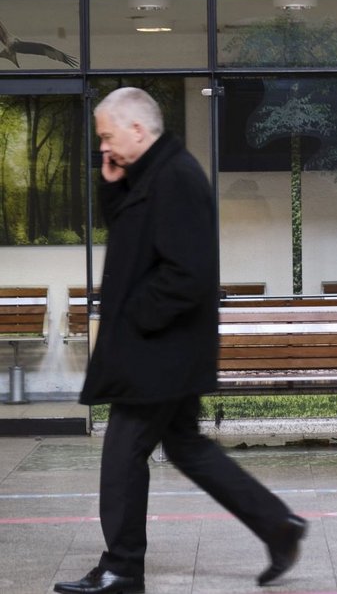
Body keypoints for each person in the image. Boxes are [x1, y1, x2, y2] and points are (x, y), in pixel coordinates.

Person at [53, 88, 306, 594]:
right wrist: (112, 187)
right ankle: (277, 525)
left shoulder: (177, 178)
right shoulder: (151, 176)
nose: (104, 146)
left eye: (108, 135)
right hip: (163, 350)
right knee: (186, 447)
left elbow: (189, 274)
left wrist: (134, 320)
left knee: (122, 455)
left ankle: (122, 567)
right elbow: (134, 239)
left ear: (137, 130)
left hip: (159, 351)